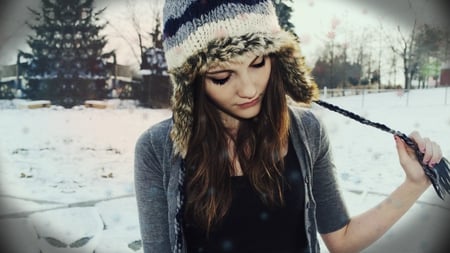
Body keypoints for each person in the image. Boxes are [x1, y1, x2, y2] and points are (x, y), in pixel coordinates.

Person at [134, 1, 443, 252]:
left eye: (258, 63)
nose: (249, 89)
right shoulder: (156, 149)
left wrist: (413, 185)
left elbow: (343, 239)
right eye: (221, 76)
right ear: (191, 83)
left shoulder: (305, 132)